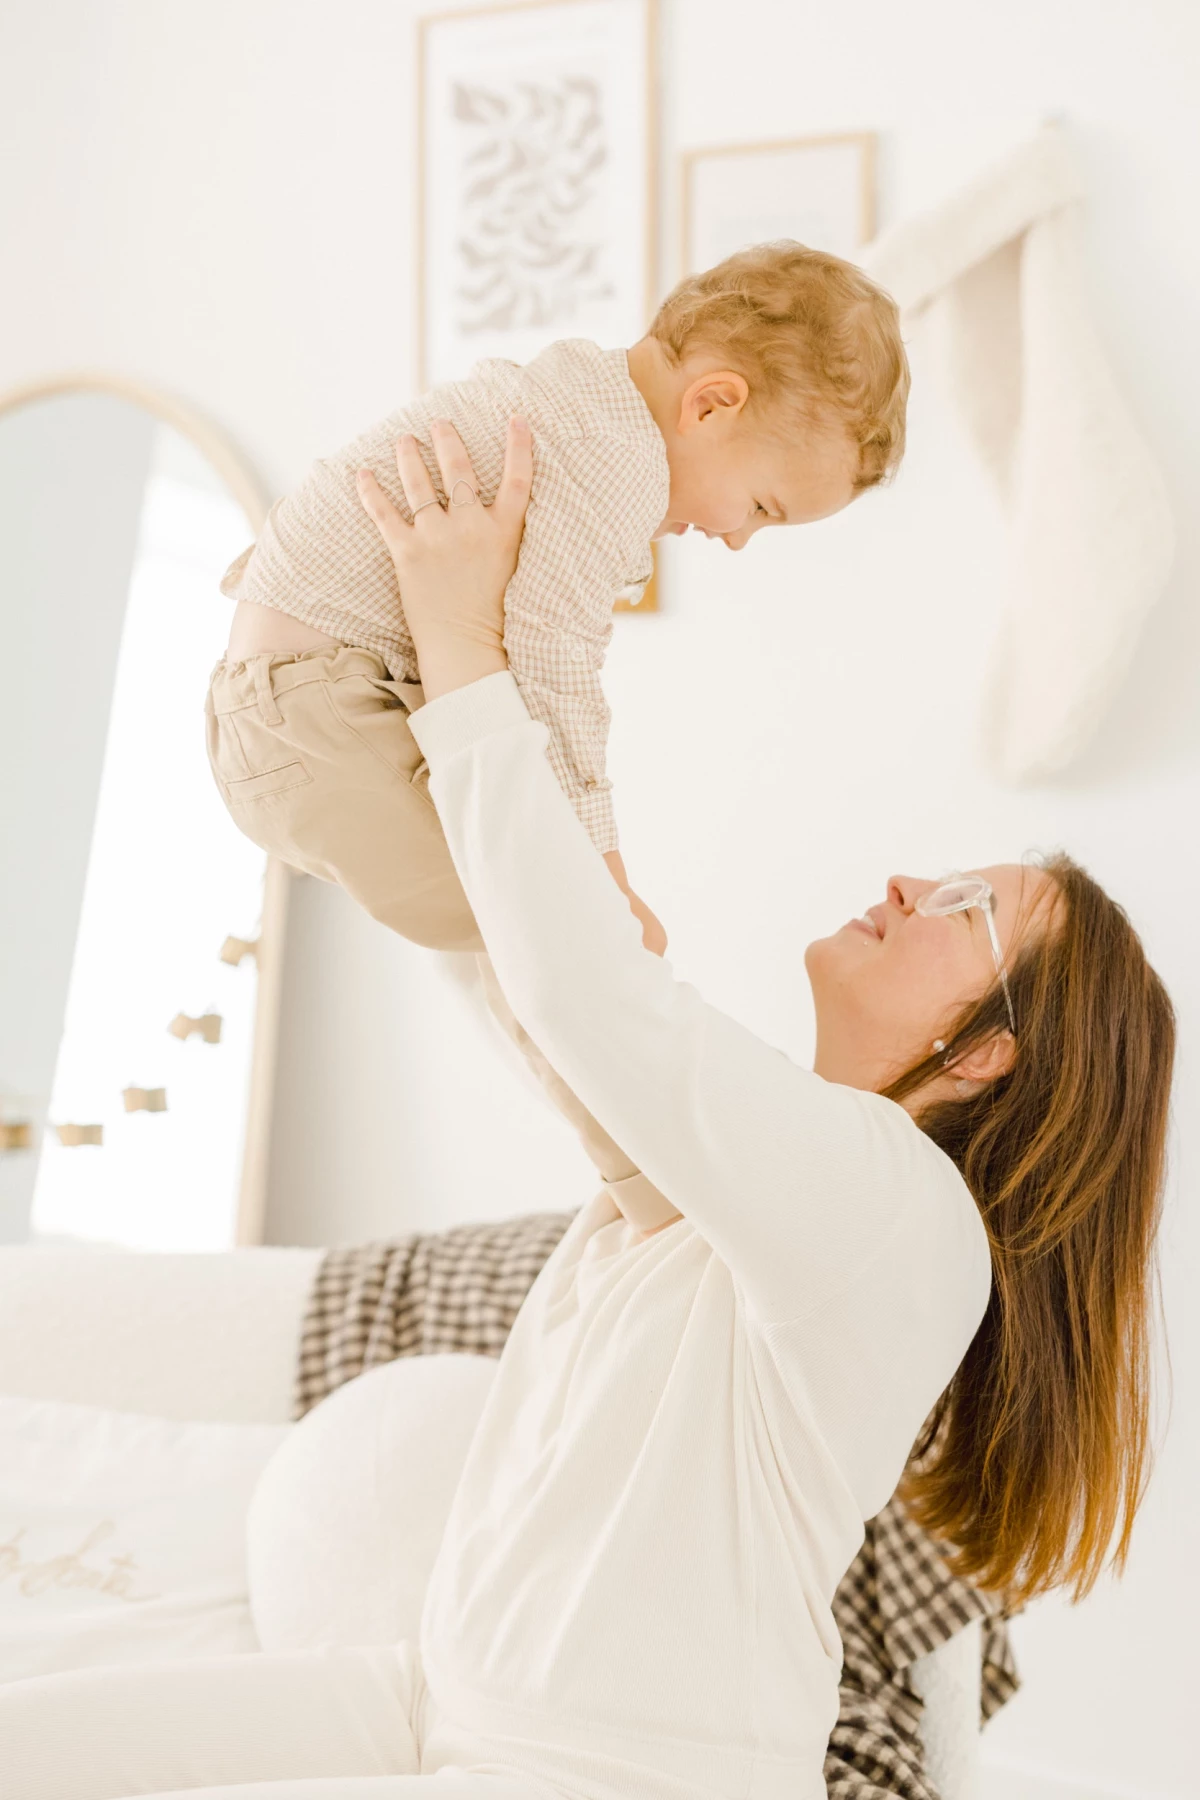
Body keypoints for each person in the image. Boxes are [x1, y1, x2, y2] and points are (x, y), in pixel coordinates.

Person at [5, 427, 1174, 1800]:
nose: (910, 883)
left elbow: (576, 990)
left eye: (963, 910)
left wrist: (459, 641)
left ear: (985, 1061)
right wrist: (342, 656)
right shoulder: (747, 1187)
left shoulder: (902, 1215)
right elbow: (523, 979)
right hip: (436, 1701)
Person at [207, 242, 908, 959]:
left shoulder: (577, 392)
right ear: (711, 405)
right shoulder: (620, 458)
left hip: (281, 707)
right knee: (568, 934)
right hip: (322, 718)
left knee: (539, 929)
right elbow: (555, 665)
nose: (737, 539)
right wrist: (606, 872)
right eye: (762, 506)